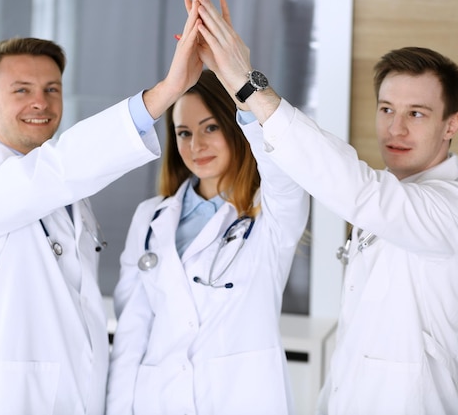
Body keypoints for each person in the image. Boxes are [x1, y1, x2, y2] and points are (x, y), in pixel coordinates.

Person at [193, 0, 458, 414]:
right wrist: (236, 88)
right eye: (386, 109)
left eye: (417, 114)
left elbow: (356, 189)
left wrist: (250, 83)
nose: (396, 128)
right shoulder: (394, 194)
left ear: (451, 124)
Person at [0, 2, 206, 413]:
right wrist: (166, 92)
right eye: (21, 90)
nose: (40, 103)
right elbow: (60, 167)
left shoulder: (69, 198)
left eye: (51, 89)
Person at [106, 68, 309, 415]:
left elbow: (286, 173)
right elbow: (131, 333)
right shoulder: (151, 217)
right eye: (183, 132)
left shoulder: (270, 213)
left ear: (235, 126)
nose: (195, 145)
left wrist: (239, 83)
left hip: (239, 399)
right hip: (158, 401)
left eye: (210, 127)